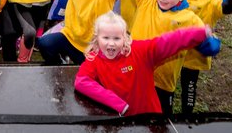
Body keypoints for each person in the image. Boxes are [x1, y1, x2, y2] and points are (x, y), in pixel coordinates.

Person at [121, 0, 220, 115]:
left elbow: (209, 49)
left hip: (163, 83)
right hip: (134, 72)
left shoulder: (189, 19)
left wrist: (209, 40)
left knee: (160, 118)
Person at [74, 11, 211, 116]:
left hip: (150, 117)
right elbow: (82, 82)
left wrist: (200, 33)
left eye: (116, 38)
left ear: (125, 37)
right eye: (105, 38)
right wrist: (117, 103)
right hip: (121, 119)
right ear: (97, 38)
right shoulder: (93, 58)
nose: (111, 43)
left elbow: (169, 41)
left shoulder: (140, 51)